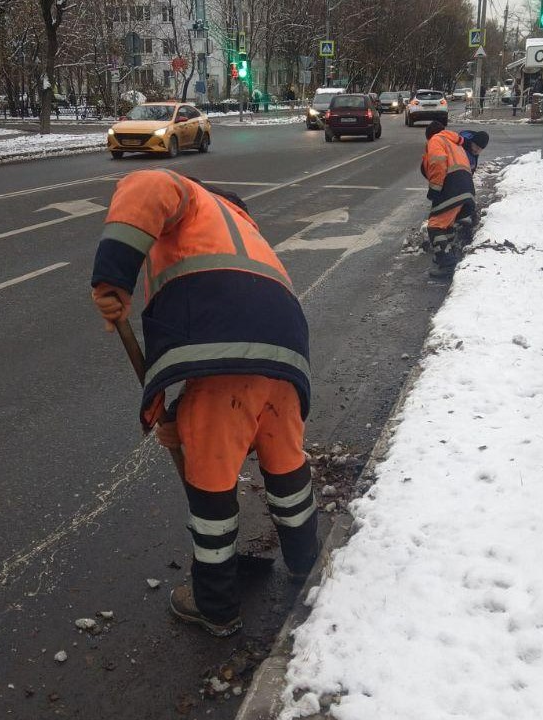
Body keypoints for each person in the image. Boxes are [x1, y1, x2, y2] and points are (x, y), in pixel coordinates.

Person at [90, 170, 319, 638]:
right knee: (286, 466)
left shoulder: (191, 197)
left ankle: (216, 607)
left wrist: (113, 275)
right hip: (286, 357)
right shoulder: (248, 236)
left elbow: (150, 183)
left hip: (223, 360)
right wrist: (179, 417)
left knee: (211, 486)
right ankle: (307, 566)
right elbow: (231, 364)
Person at [421, 113, 477, 278]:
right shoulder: (454, 143)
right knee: (446, 223)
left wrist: (435, 189)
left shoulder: (435, 140)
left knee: (435, 226)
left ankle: (447, 263)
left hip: (451, 187)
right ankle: (449, 252)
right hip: (466, 188)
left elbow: (438, 162)